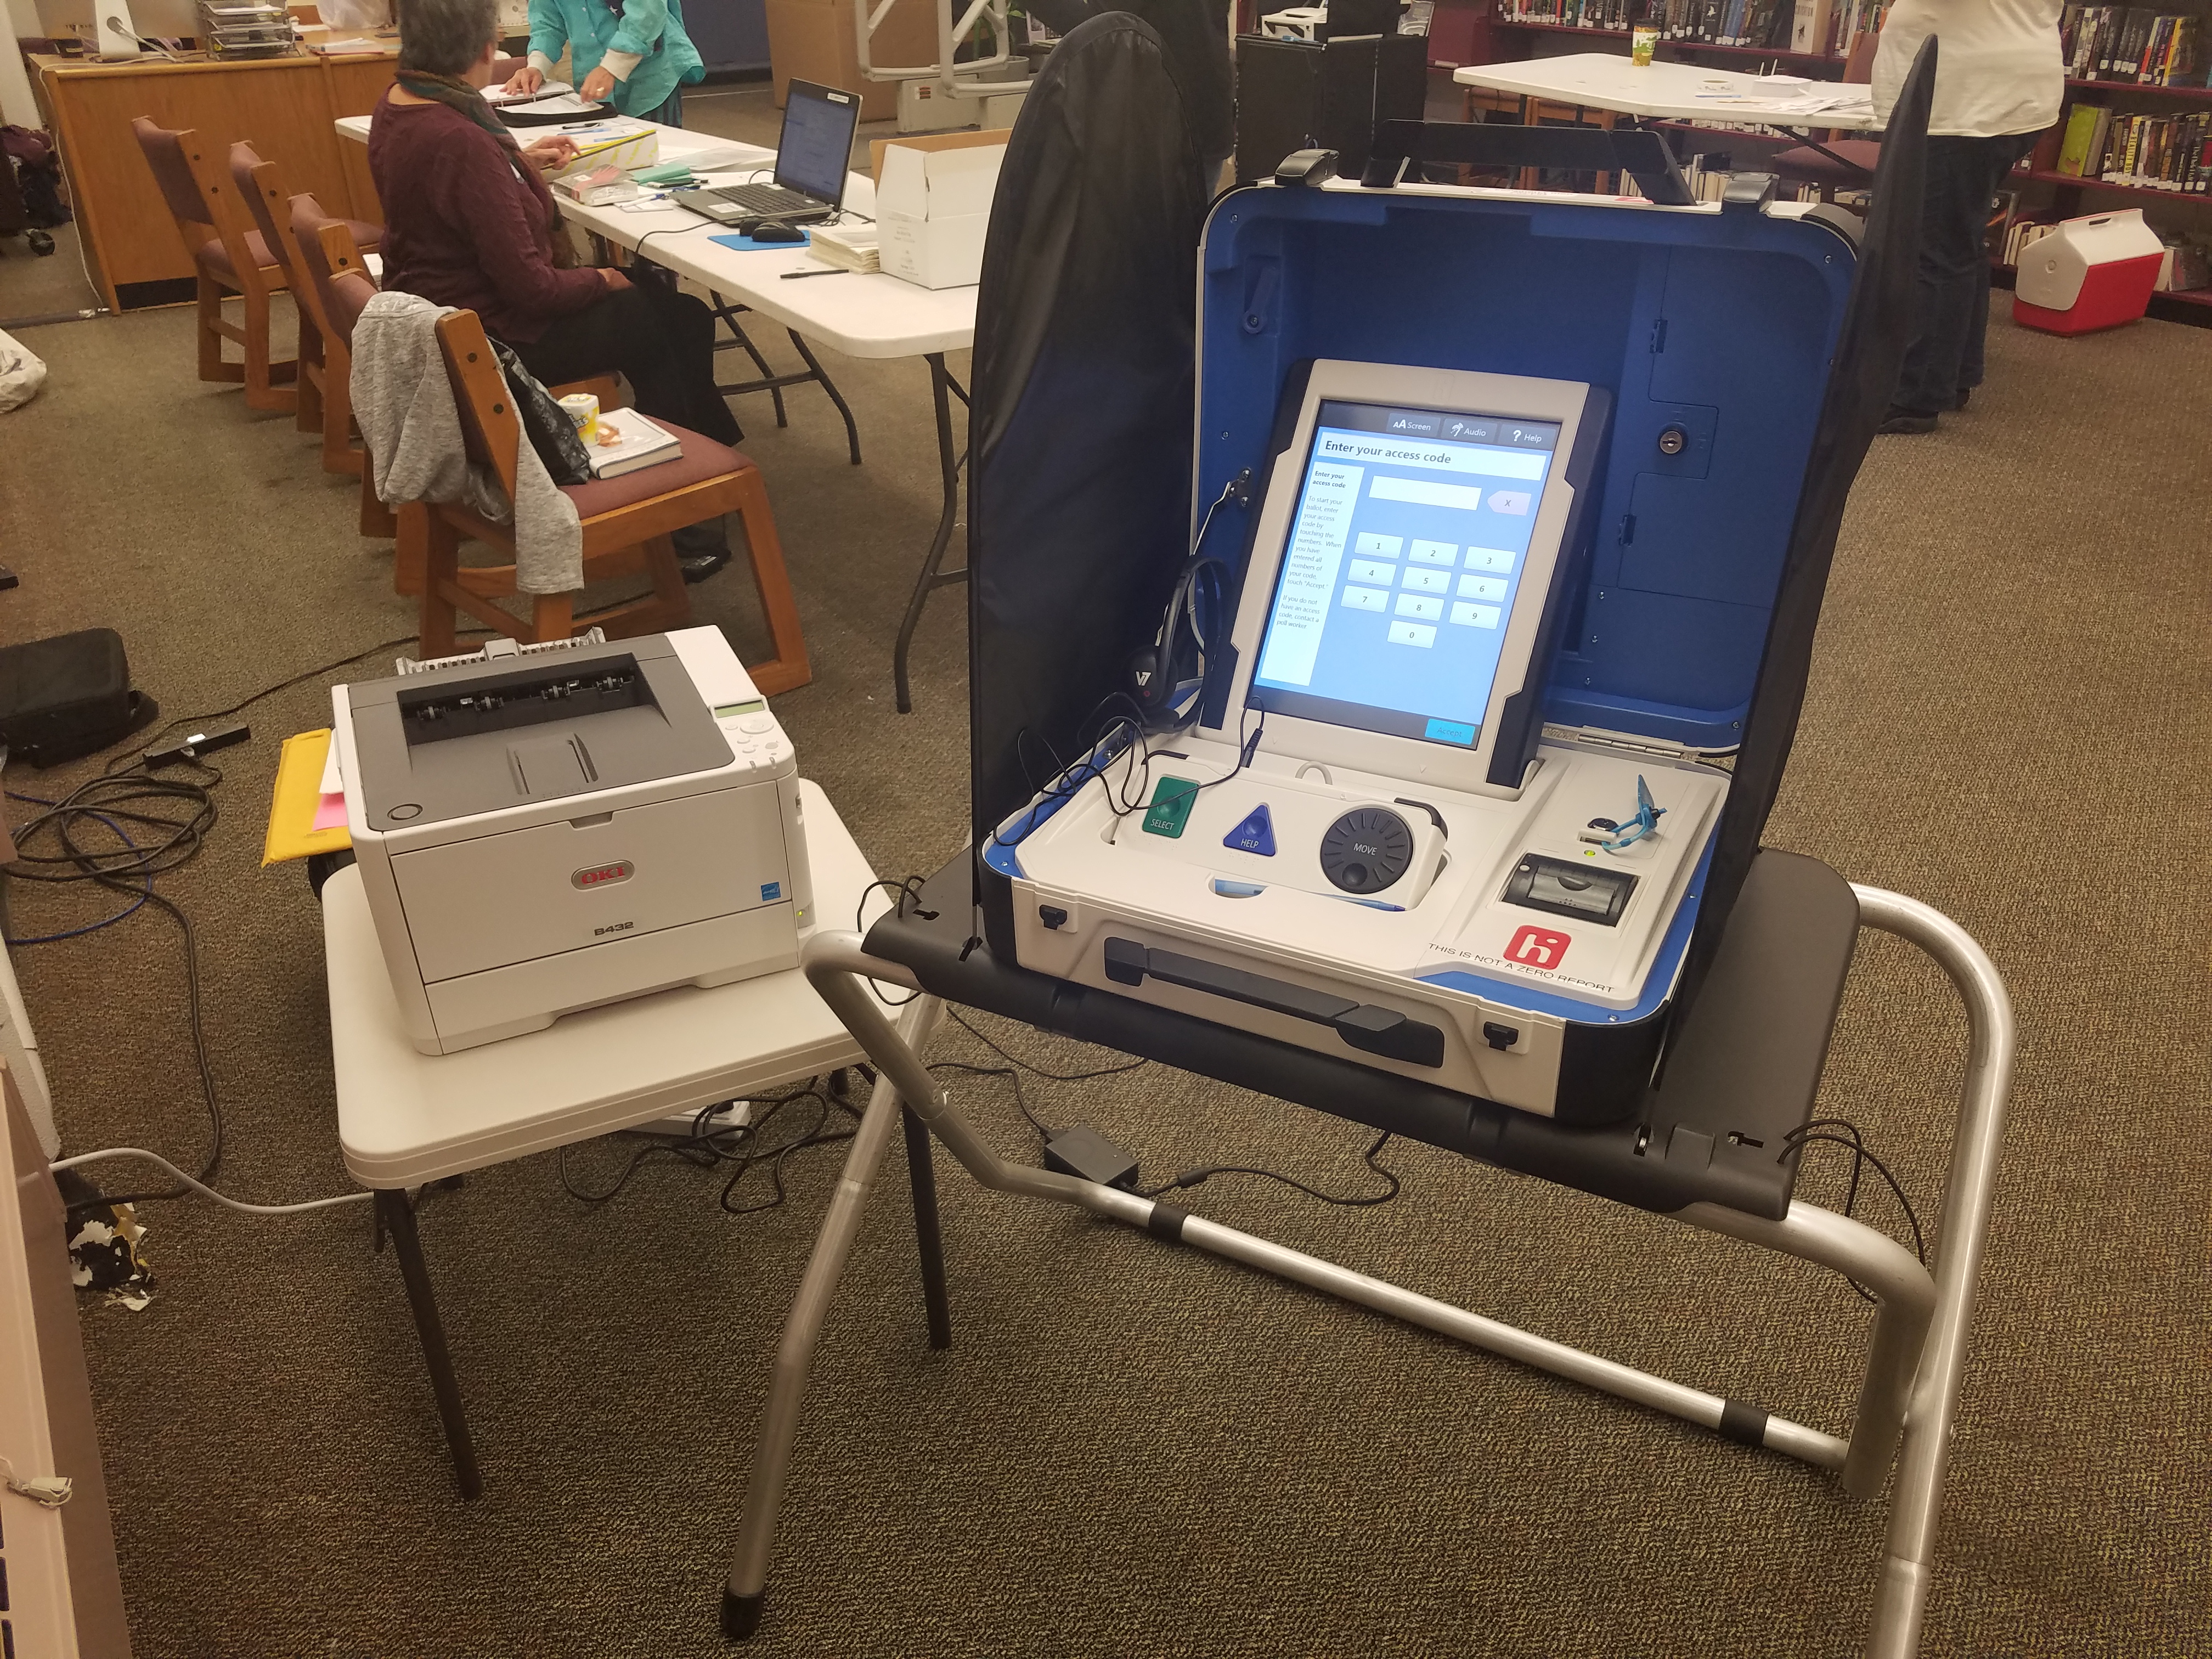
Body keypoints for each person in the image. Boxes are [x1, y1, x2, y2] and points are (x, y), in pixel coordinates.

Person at [369, 0, 739, 579]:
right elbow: (534, 292)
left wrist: (518, 166)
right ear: (487, 49)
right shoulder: (459, 138)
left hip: (444, 308)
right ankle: (681, 524)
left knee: (679, 314)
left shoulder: (402, 105)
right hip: (493, 337)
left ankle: (710, 463)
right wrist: (600, 277)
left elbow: (453, 196)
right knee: (654, 317)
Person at [1871, 0, 2064, 435]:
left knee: (1934, 247)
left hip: (1965, 99)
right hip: (1982, 90)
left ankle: (1915, 395)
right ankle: (1953, 373)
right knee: (1956, 239)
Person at [499, 0, 704, 127]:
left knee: (658, 163)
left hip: (650, 79)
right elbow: (547, 23)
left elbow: (647, 14)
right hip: (595, 87)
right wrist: (536, 66)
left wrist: (612, 67)